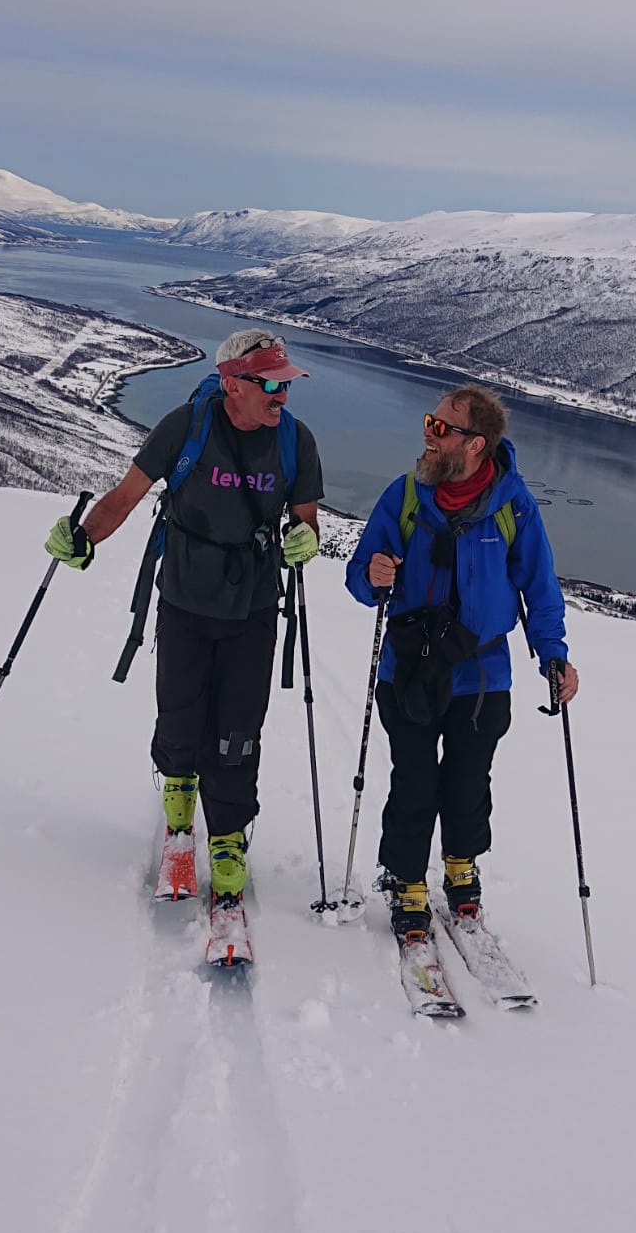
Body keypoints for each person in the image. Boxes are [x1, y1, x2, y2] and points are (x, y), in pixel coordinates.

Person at [45, 329, 323, 906]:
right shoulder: (186, 427)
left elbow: (305, 518)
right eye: (268, 383)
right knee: (179, 711)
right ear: (231, 384)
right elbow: (124, 497)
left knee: (239, 727)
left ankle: (226, 837)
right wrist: (83, 541)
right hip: (184, 596)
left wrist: (304, 540)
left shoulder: (296, 441)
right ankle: (179, 805)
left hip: (253, 604)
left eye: (286, 383)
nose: (281, 395)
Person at [345, 385, 578, 942]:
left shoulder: (515, 505)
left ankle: (459, 869)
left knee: (469, 782)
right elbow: (360, 576)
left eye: (442, 427)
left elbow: (539, 588)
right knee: (415, 780)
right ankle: (406, 880)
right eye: (429, 421)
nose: (428, 433)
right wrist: (372, 575)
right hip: (410, 668)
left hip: (481, 674)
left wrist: (555, 656)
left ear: (476, 445)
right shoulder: (403, 497)